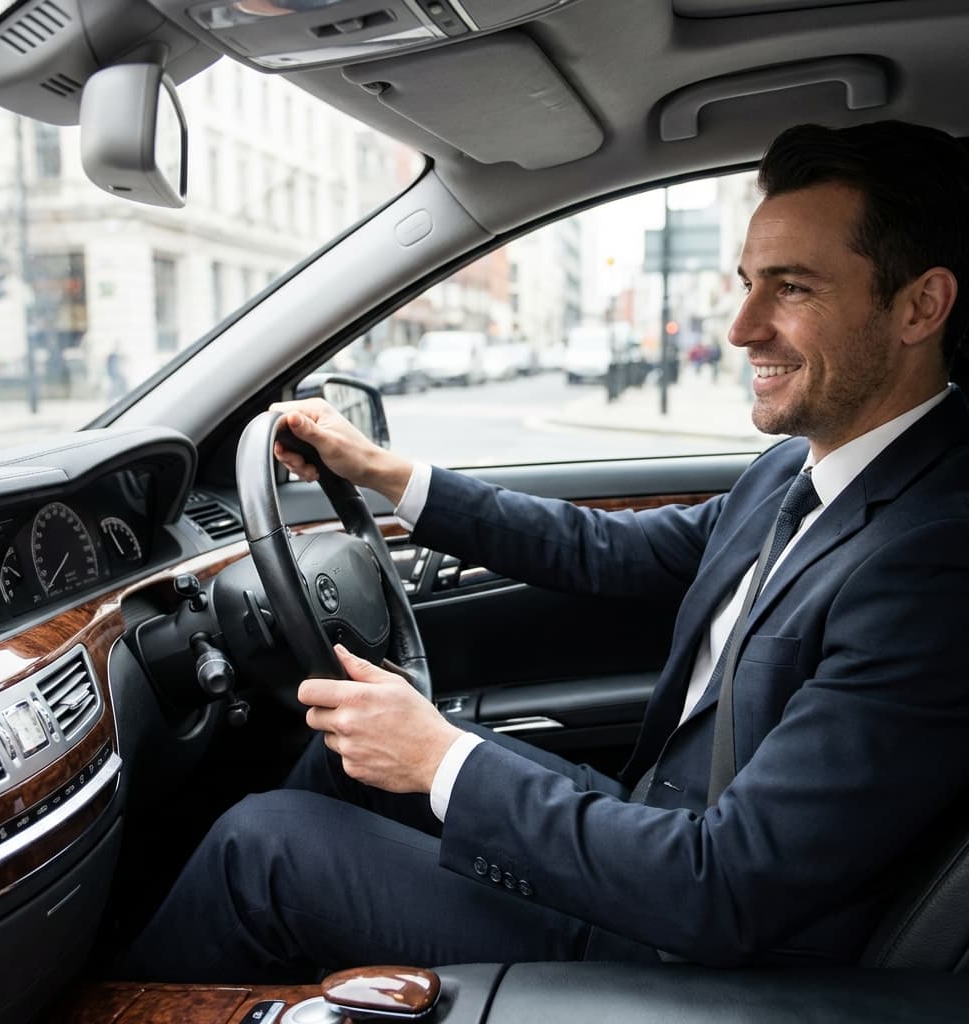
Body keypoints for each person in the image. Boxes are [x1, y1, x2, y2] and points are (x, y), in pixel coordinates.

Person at [117, 120, 969, 981]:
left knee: (261, 851)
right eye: (749, 283)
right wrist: (382, 472)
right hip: (660, 838)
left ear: (919, 306)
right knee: (345, 757)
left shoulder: (934, 559)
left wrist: (441, 758)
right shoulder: (800, 469)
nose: (743, 326)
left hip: (708, 948)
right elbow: (605, 549)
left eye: (793, 288)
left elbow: (729, 886)